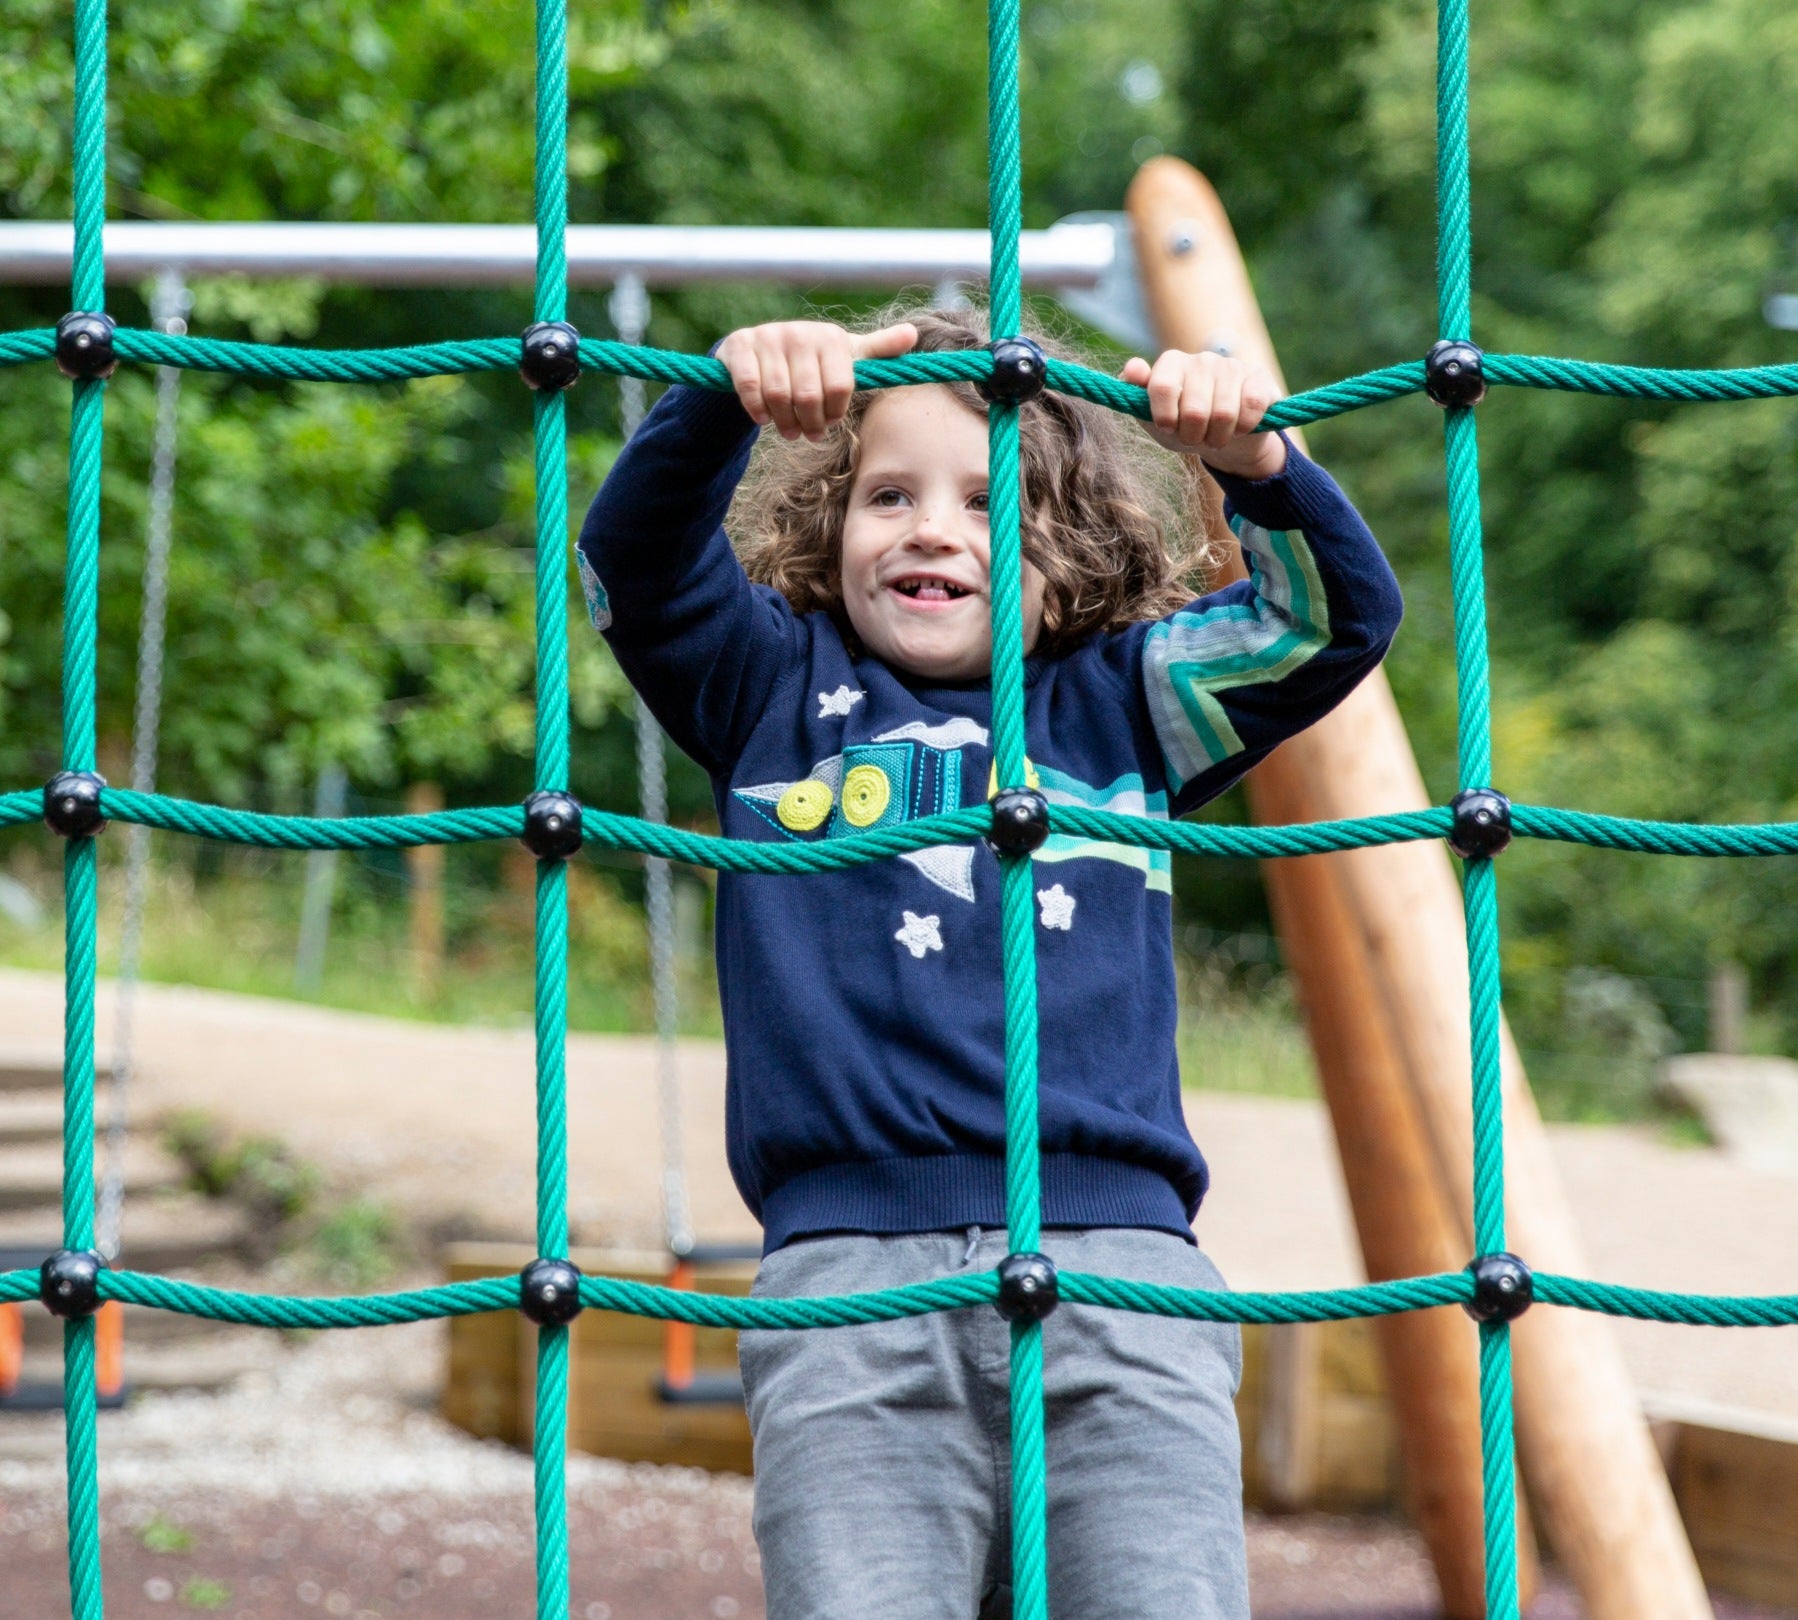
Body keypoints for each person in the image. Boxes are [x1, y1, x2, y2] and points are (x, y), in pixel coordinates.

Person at [574, 300, 1403, 1620]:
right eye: (888, 493)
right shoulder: (770, 692)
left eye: (989, 501)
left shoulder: (1134, 702)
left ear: (1070, 552)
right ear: (832, 528)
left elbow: (1333, 622)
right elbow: (632, 564)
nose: (933, 528)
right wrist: (732, 399)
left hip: (1119, 1278)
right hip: (845, 1286)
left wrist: (1254, 462)